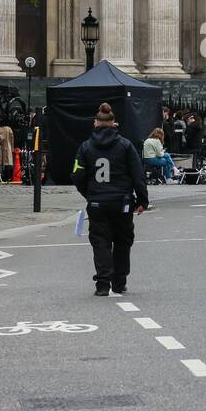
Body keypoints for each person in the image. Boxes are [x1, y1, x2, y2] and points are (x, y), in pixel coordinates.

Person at [72, 103, 149, 296]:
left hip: (97, 202)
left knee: (101, 242)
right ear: (114, 123)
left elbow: (77, 175)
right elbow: (137, 175)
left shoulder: (85, 147)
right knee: (123, 241)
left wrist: (89, 194)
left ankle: (103, 284)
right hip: (121, 201)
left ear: (95, 123)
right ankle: (119, 282)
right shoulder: (125, 145)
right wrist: (142, 200)